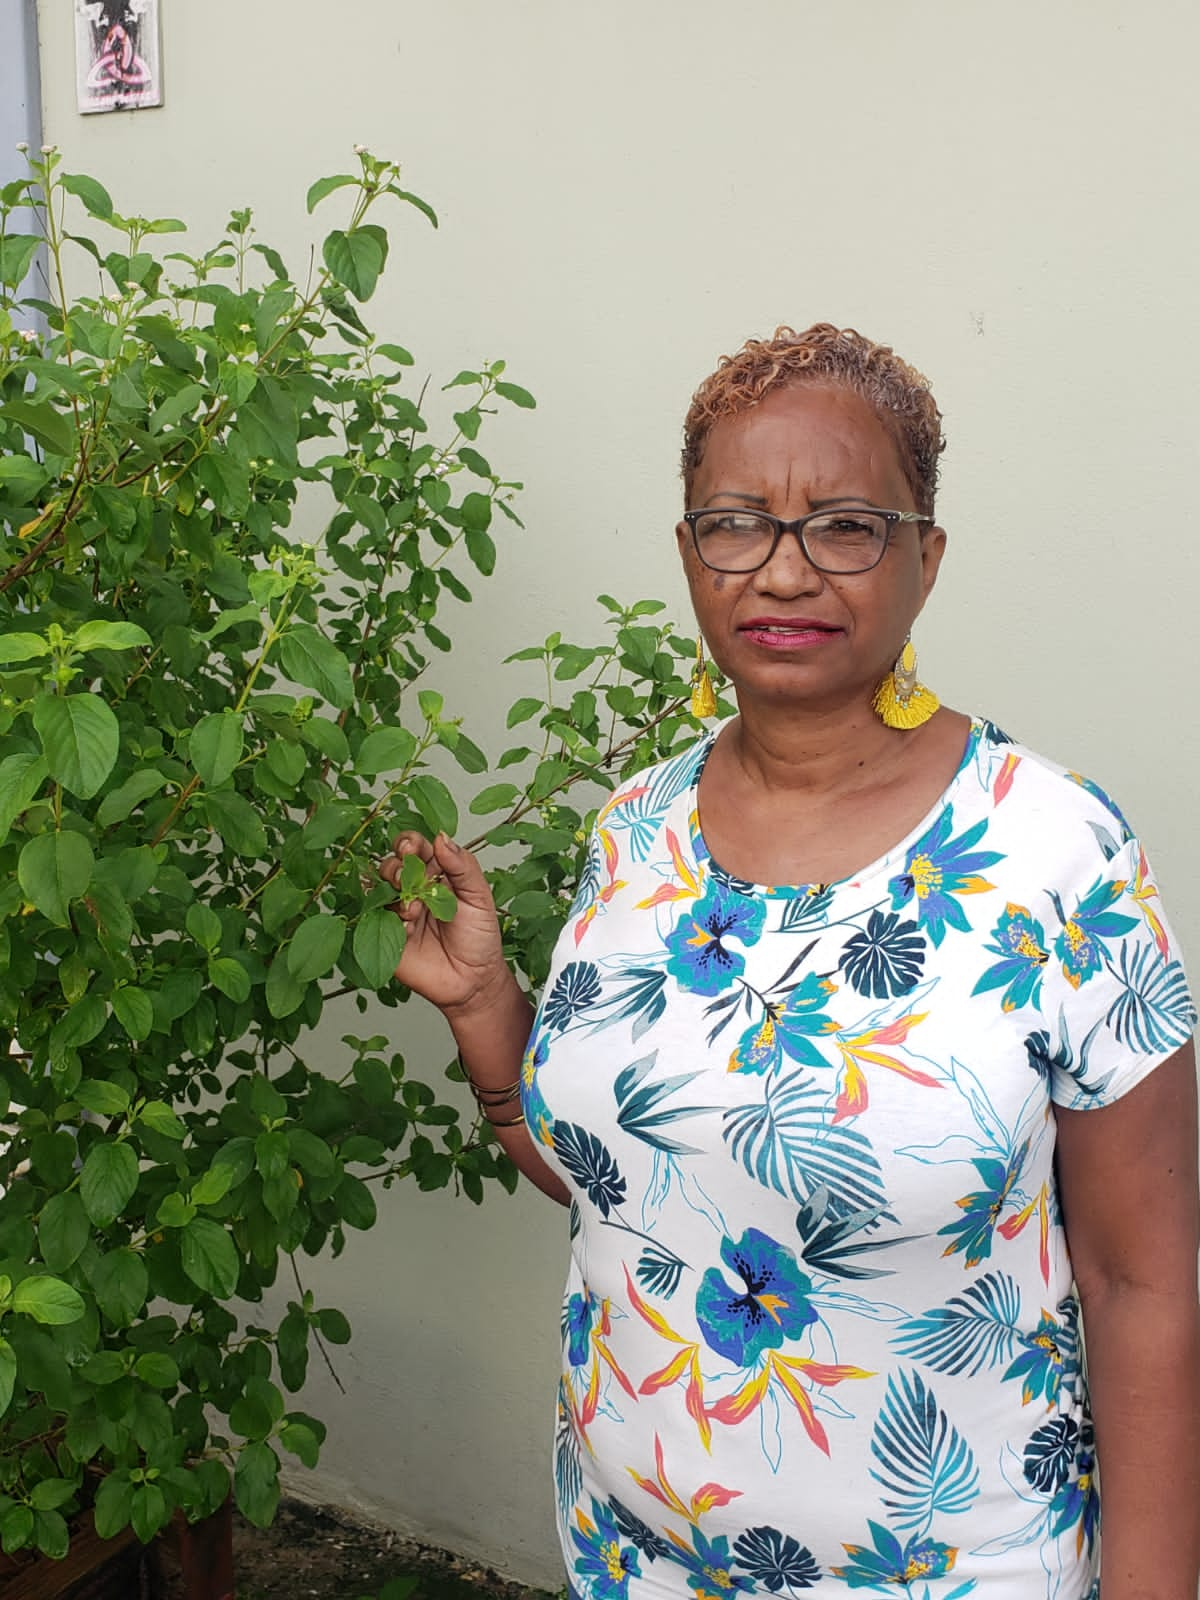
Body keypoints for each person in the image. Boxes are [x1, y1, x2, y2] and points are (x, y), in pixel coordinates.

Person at [378, 325, 1199, 1600]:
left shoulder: (1059, 851)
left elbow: (1140, 1279)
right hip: (628, 1558)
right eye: (738, 523)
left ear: (925, 559)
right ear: (691, 558)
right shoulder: (635, 832)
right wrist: (491, 1012)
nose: (784, 568)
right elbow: (646, 1205)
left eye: (845, 525)